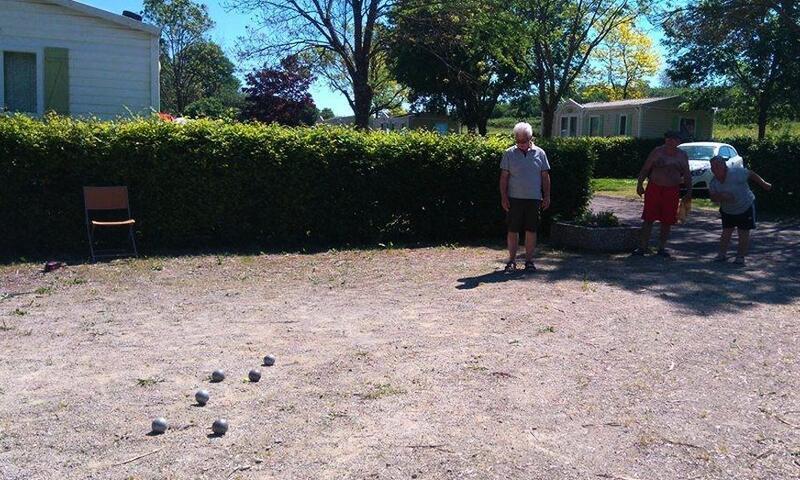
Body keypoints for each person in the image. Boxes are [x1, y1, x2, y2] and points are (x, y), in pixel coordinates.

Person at [499, 122, 551, 272]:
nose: (521, 144)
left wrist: (546, 196)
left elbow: (545, 176)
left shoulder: (540, 153)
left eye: (524, 141)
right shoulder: (509, 153)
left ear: (531, 138)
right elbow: (504, 178)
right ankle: (512, 260)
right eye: (518, 141)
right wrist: (504, 197)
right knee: (512, 230)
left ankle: (529, 261)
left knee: (531, 230)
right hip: (514, 198)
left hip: (534, 199)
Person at [632, 131, 692, 257]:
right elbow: (646, 168)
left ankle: (662, 248)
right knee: (648, 218)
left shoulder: (682, 155)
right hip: (655, 188)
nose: (670, 141)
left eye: (673, 139)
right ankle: (643, 247)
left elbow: (686, 174)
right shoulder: (657, 152)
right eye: (668, 139)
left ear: (678, 142)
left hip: (672, 190)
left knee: (667, 220)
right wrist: (639, 184)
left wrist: (689, 191)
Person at [708, 156, 772, 265]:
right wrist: (721, 196)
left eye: (718, 165)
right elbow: (713, 198)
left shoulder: (736, 172)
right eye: (713, 166)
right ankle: (722, 254)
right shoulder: (713, 182)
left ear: (724, 166)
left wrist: (764, 183)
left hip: (745, 205)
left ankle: (740, 257)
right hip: (728, 210)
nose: (715, 168)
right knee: (726, 232)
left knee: (743, 232)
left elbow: (751, 174)